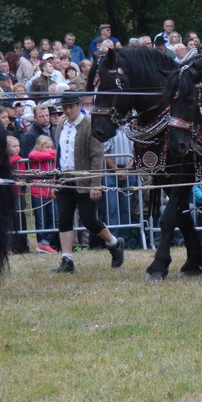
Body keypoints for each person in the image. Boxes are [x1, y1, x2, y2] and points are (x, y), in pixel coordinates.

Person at [51, 95, 125, 273]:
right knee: (64, 219)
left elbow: (97, 156)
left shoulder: (90, 124)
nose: (67, 111)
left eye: (70, 107)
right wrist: (55, 182)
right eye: (65, 108)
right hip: (64, 179)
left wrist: (95, 184)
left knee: (89, 220)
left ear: (78, 105)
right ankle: (67, 260)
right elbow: (58, 154)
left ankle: (114, 243)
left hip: (84, 181)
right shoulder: (60, 125)